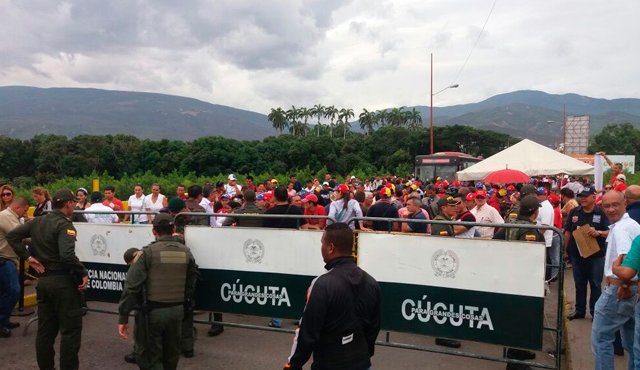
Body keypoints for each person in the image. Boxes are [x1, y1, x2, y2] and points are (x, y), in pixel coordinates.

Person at [7, 189, 89, 370]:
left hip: (43, 282)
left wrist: (27, 257)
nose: (74, 205)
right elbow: (67, 256)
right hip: (63, 284)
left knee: (45, 332)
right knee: (70, 332)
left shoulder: (38, 221)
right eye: (73, 202)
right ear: (68, 203)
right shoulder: (65, 225)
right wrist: (82, 271)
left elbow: (12, 236)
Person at [283, 223, 381, 370]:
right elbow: (374, 326)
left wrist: (294, 364)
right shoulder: (372, 282)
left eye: (322, 243)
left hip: (330, 364)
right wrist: (365, 353)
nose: (321, 247)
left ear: (330, 248)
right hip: (362, 362)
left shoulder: (321, 284)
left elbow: (308, 331)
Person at [118, 213, 198, 370]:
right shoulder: (186, 252)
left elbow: (131, 287)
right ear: (173, 228)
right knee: (171, 356)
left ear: (154, 231)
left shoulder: (147, 253)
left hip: (152, 314)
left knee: (149, 358)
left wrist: (123, 317)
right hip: (177, 312)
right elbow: (190, 284)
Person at [590, 191, 640, 370]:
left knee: (601, 338)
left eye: (615, 205)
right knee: (632, 342)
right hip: (631, 290)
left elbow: (626, 258)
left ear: (625, 203)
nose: (611, 209)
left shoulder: (621, 228)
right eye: (606, 206)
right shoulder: (630, 224)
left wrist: (625, 284)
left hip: (619, 289)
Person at [492, 195, 542, 370]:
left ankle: (518, 354)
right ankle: (516, 363)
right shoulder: (529, 230)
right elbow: (531, 258)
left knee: (515, 320)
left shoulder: (510, 225)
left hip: (509, 277)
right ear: (534, 212)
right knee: (521, 321)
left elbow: (495, 242)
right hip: (524, 282)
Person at [564, 187, 609, 320]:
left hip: (596, 256)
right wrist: (565, 250)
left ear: (594, 197)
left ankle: (595, 312)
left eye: (586, 196)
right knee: (579, 283)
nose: (582, 198)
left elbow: (611, 231)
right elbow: (567, 231)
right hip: (577, 255)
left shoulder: (601, 213)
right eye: (581, 196)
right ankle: (579, 311)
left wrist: (599, 232)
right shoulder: (574, 212)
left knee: (595, 284)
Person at [0, 197, 29, 337]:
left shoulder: (11, 216)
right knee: (13, 291)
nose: (25, 213)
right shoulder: (6, 216)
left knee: (5, 292)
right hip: (4, 259)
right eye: (24, 210)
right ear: (18, 207)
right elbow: (19, 234)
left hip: (8, 259)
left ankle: (4, 320)